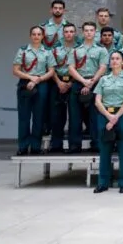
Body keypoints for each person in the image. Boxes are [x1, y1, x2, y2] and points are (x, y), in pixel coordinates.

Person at [93, 51, 123, 194]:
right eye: (112, 59)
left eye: (118, 59)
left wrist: (115, 116)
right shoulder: (103, 80)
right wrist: (108, 116)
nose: (115, 61)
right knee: (104, 150)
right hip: (105, 115)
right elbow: (97, 101)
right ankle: (103, 182)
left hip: (122, 115)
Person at [12, 26, 55, 156]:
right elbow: (15, 70)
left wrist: (38, 79)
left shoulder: (48, 51)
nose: (36, 36)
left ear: (43, 36)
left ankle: (36, 146)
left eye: (39, 34)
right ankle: (23, 146)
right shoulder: (23, 50)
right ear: (30, 36)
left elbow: (51, 71)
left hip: (42, 83)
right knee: (24, 117)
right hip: (25, 83)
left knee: (39, 117)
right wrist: (31, 77)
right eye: (34, 34)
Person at [68, 22, 109, 153]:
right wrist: (83, 81)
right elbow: (71, 68)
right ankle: (74, 145)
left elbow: (103, 67)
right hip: (78, 82)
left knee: (95, 116)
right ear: (83, 32)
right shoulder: (75, 50)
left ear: (95, 32)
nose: (89, 32)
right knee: (75, 116)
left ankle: (96, 144)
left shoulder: (101, 50)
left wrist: (91, 81)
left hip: (95, 82)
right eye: (86, 30)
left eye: (91, 30)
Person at [49, 23, 78, 153]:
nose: (69, 34)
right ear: (63, 33)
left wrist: (71, 82)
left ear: (75, 33)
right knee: (57, 117)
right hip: (58, 82)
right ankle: (56, 145)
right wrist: (59, 82)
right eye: (66, 31)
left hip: (73, 82)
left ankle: (74, 145)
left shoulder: (80, 49)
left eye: (71, 31)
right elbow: (51, 67)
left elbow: (82, 68)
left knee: (74, 116)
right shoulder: (55, 49)